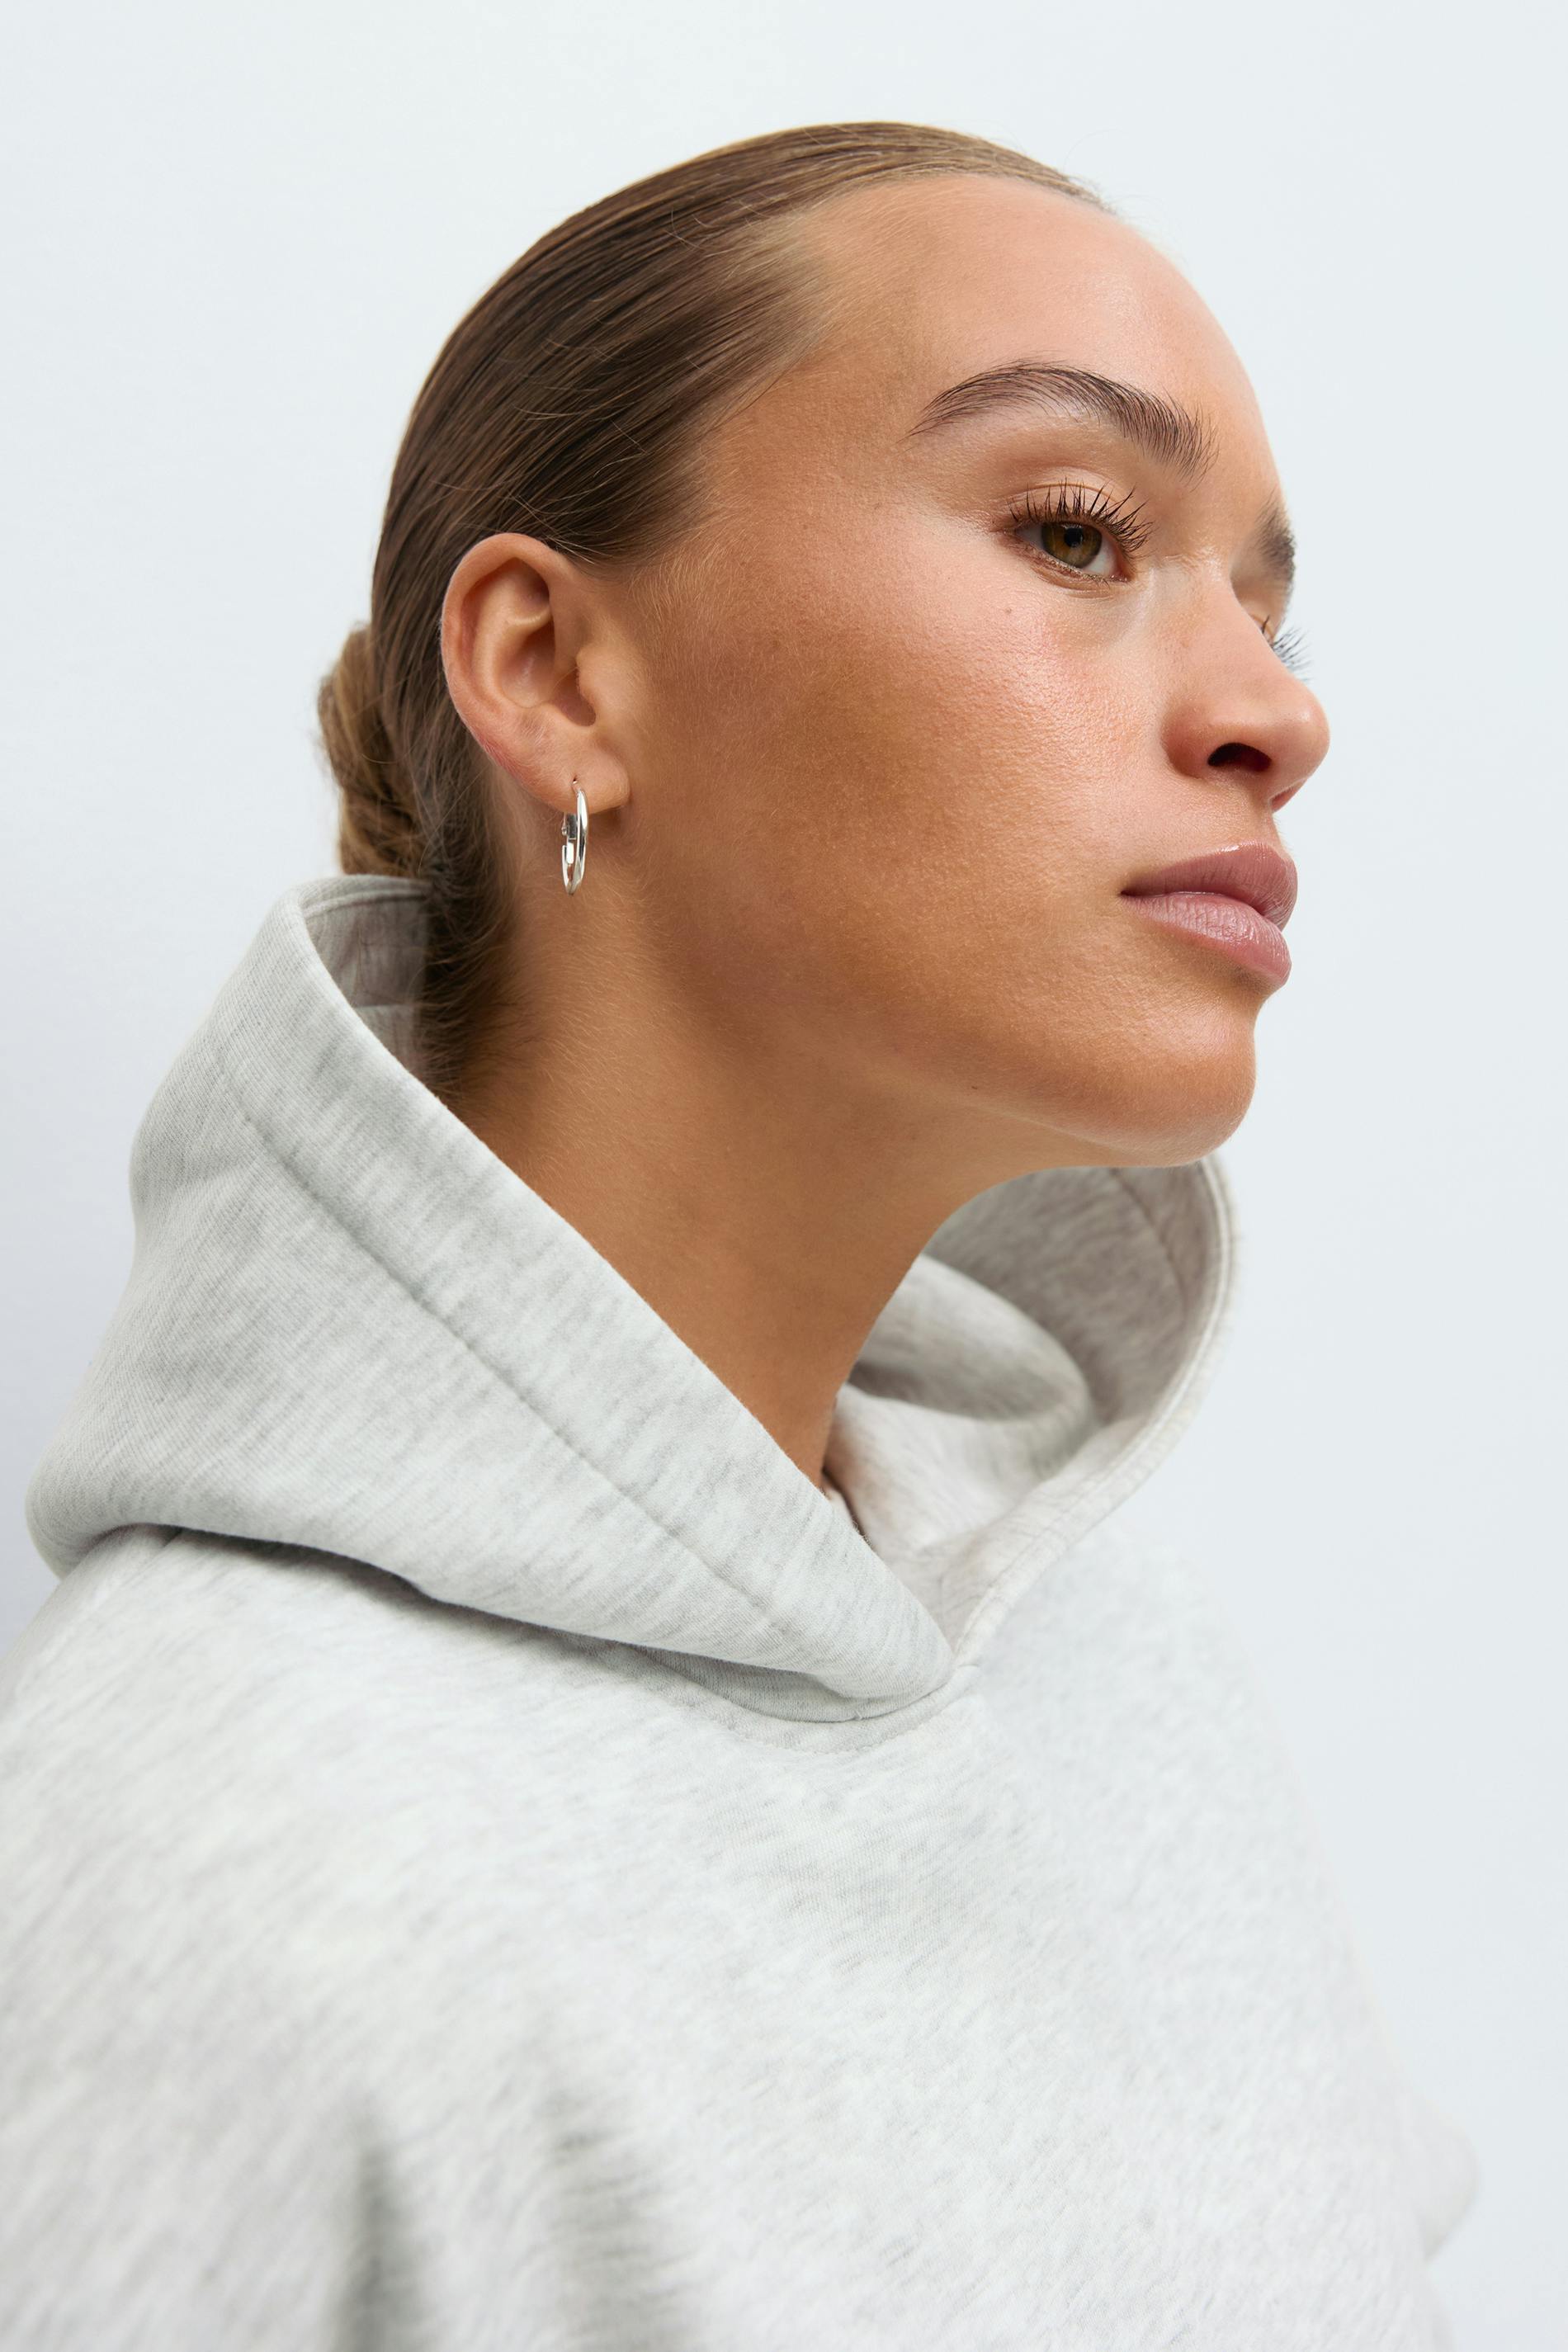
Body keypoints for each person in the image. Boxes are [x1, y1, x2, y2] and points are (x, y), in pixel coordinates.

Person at [1, 120, 1476, 2348]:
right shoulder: (200, 1843)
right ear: (556, 673)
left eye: (1264, 609)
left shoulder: (1118, 1670)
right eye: (1077, 532)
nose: (1277, 713)